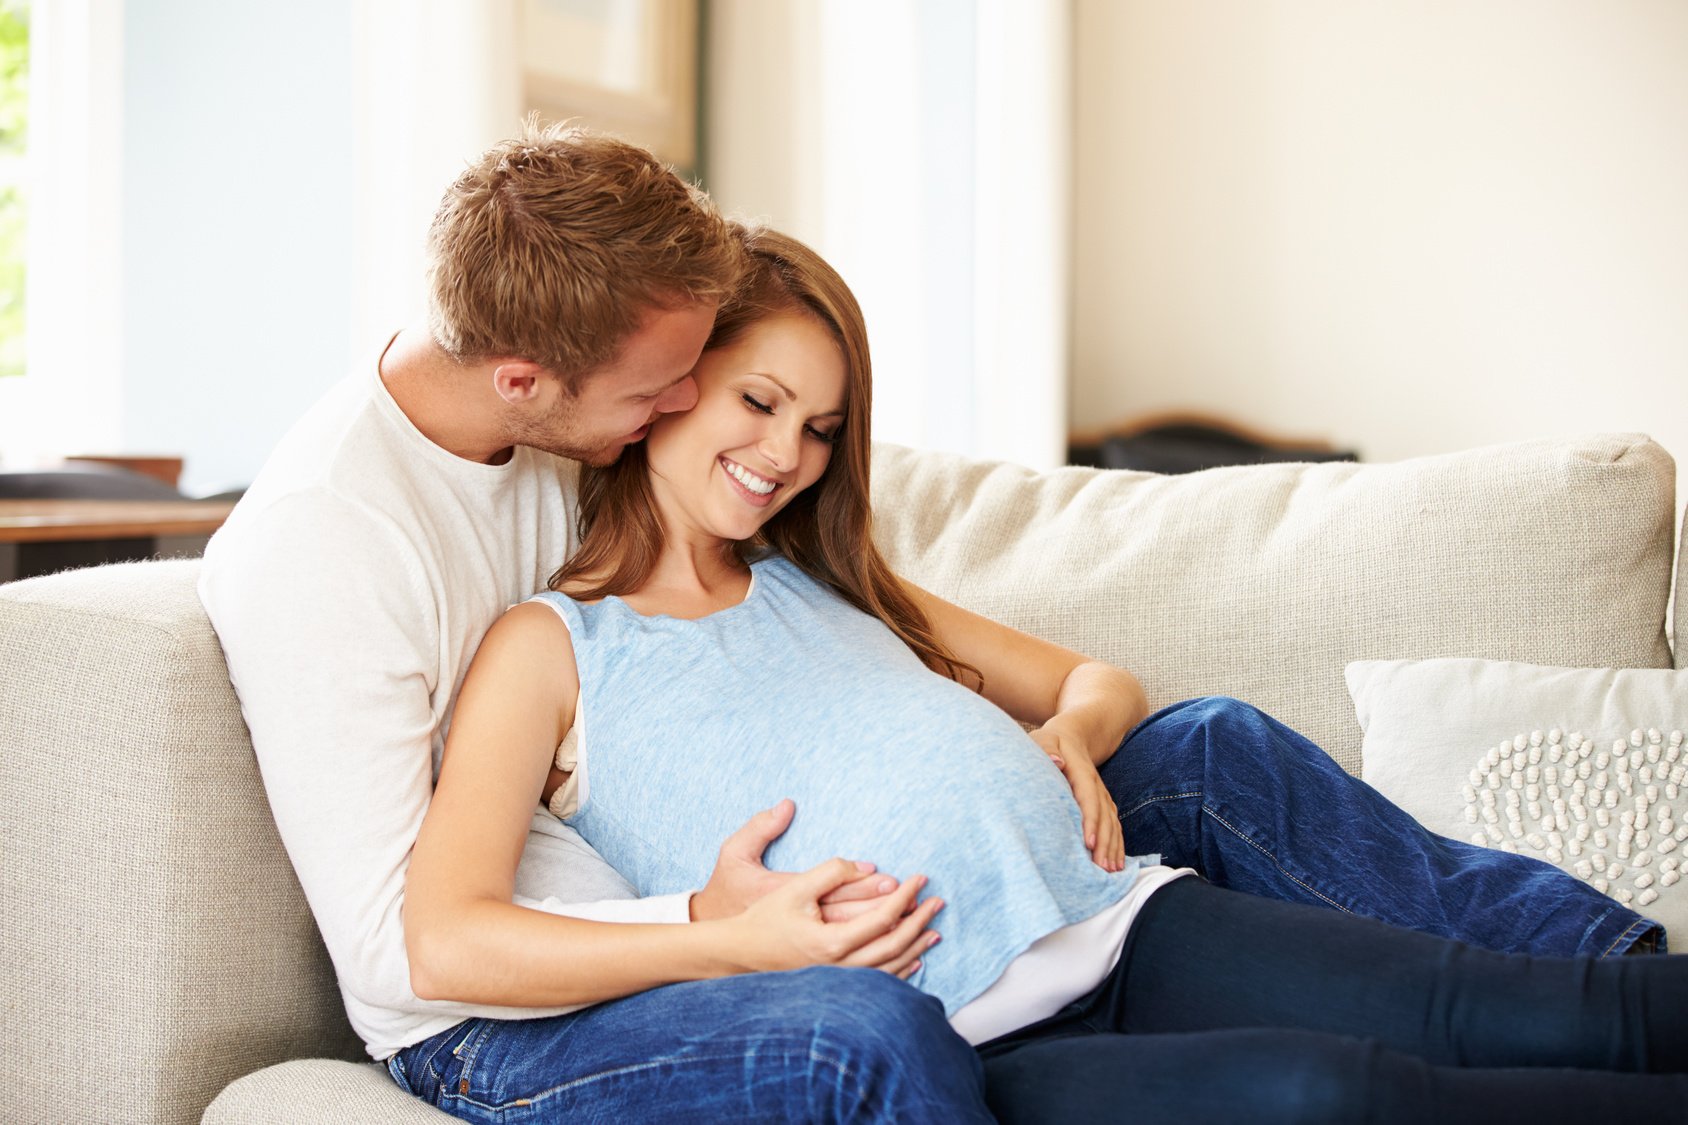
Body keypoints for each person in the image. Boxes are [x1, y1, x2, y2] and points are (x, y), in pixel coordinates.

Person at [404, 225, 1688, 1123]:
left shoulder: (831, 581)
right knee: (1337, 1095)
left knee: (1516, 1007)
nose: (785, 451)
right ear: (669, 389)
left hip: (1127, 920)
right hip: (976, 1042)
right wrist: (724, 940)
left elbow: (1097, 683)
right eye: (756, 401)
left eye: (819, 427)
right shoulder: (550, 648)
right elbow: (448, 936)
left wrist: (1071, 737)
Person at [199, 122, 992, 1121]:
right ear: (522, 380)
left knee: (1187, 762)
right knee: (863, 1034)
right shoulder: (324, 547)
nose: (680, 402)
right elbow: (409, 962)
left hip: (677, 913)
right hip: (493, 1022)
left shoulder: (556, 412)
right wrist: (712, 931)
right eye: (656, 388)